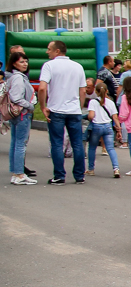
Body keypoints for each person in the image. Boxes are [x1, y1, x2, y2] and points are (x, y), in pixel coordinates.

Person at [38, 40, 87, 185]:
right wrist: (79, 107)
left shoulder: (49, 66)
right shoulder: (78, 66)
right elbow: (83, 90)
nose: (47, 52)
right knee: (77, 143)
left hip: (56, 109)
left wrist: (43, 106)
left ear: (57, 51)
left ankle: (59, 176)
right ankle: (79, 175)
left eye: (49, 49)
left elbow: (42, 88)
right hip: (74, 110)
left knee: (57, 143)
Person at [6, 52, 37, 185]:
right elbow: (16, 97)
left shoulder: (13, 77)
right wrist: (30, 105)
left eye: (26, 61)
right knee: (20, 144)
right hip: (22, 114)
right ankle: (19, 174)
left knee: (15, 142)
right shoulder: (18, 78)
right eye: (21, 62)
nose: (25, 64)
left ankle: (16, 172)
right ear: (14, 63)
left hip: (16, 114)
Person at [86, 80, 121, 178]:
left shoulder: (93, 102)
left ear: (96, 91)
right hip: (108, 126)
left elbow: (91, 116)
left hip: (96, 126)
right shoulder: (111, 103)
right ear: (107, 91)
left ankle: (91, 169)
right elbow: (115, 117)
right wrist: (119, 129)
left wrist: (88, 117)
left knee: (92, 148)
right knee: (110, 148)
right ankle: (116, 168)